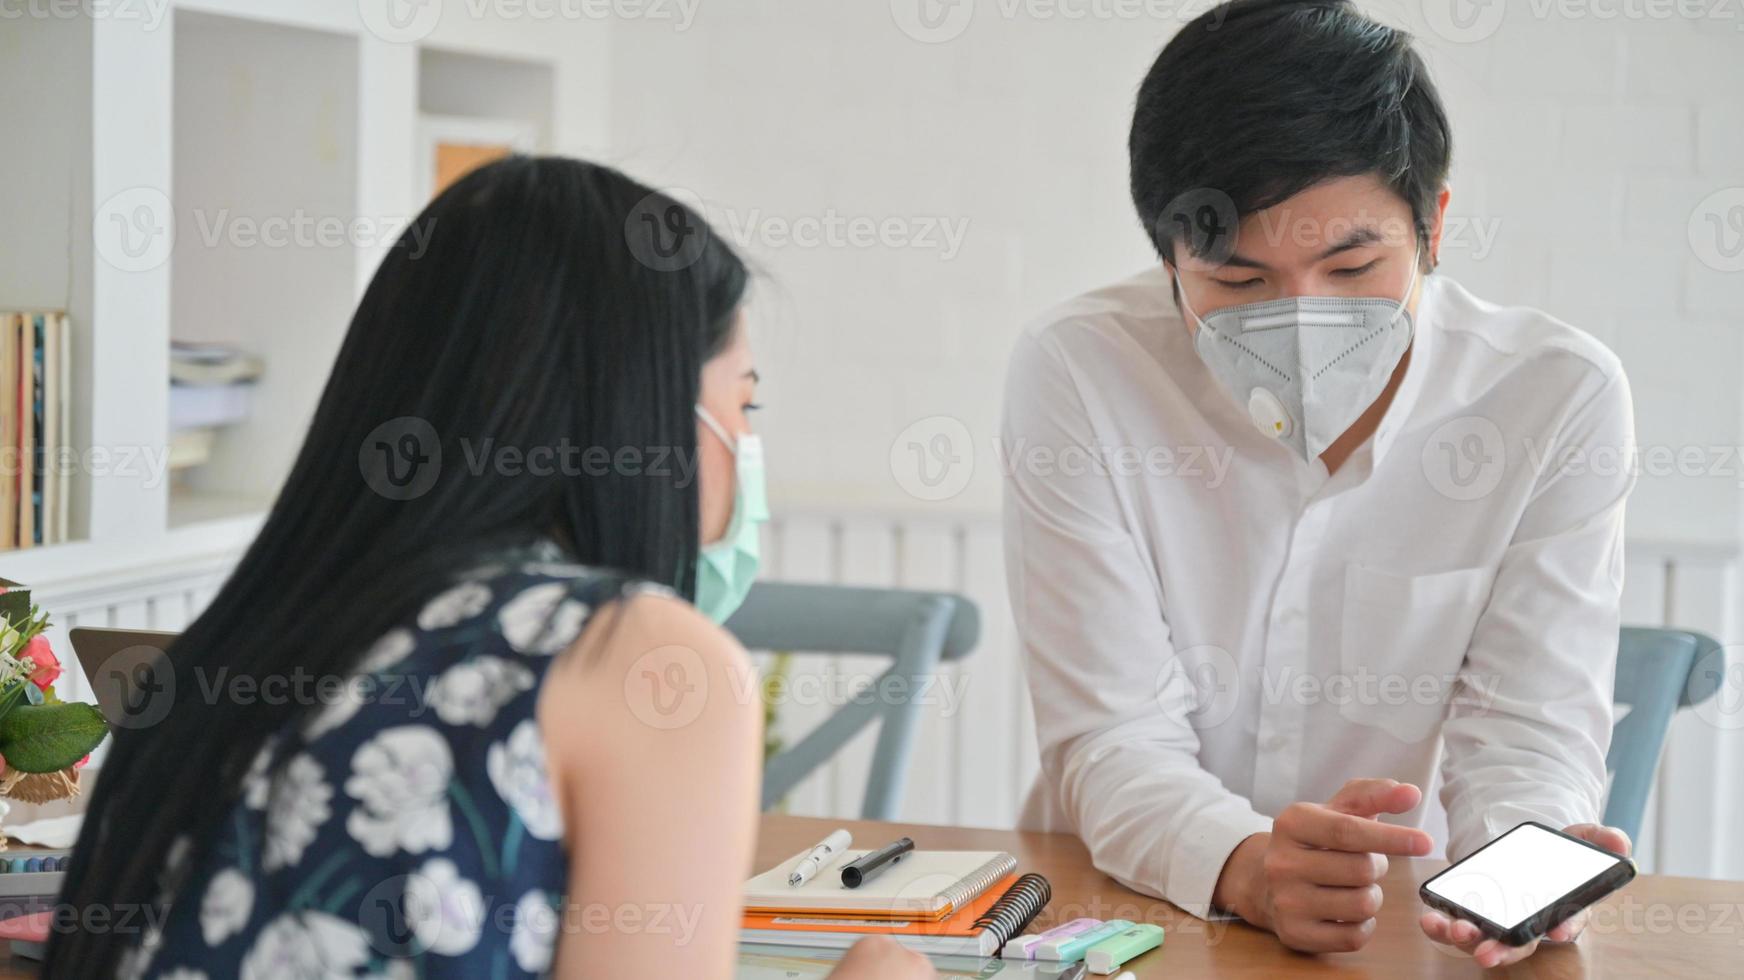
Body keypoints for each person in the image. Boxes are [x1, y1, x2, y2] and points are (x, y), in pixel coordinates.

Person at [47, 158, 934, 979]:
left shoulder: (242, 638)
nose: (747, 442)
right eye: (744, 401)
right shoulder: (641, 660)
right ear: (642, 408)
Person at [1001, 0, 1634, 968]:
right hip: (1137, 922)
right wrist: (1247, 864)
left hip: (1395, 938)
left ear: (1434, 226)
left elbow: (1529, 728)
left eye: (1351, 265)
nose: (1302, 321)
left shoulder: (1551, 397)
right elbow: (1111, 733)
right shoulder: (1084, 371)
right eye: (1239, 283)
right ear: (1168, 256)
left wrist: (1526, 862)